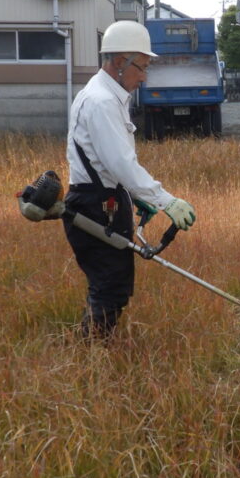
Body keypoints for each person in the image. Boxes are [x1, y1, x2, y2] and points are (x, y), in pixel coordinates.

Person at [63, 20, 195, 341]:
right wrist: (165, 201)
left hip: (102, 200)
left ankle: (94, 348)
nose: (144, 77)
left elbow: (107, 162)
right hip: (95, 205)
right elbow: (121, 163)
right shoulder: (102, 101)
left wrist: (136, 198)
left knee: (111, 284)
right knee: (109, 286)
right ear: (121, 62)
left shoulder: (108, 96)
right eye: (142, 67)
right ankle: (93, 352)